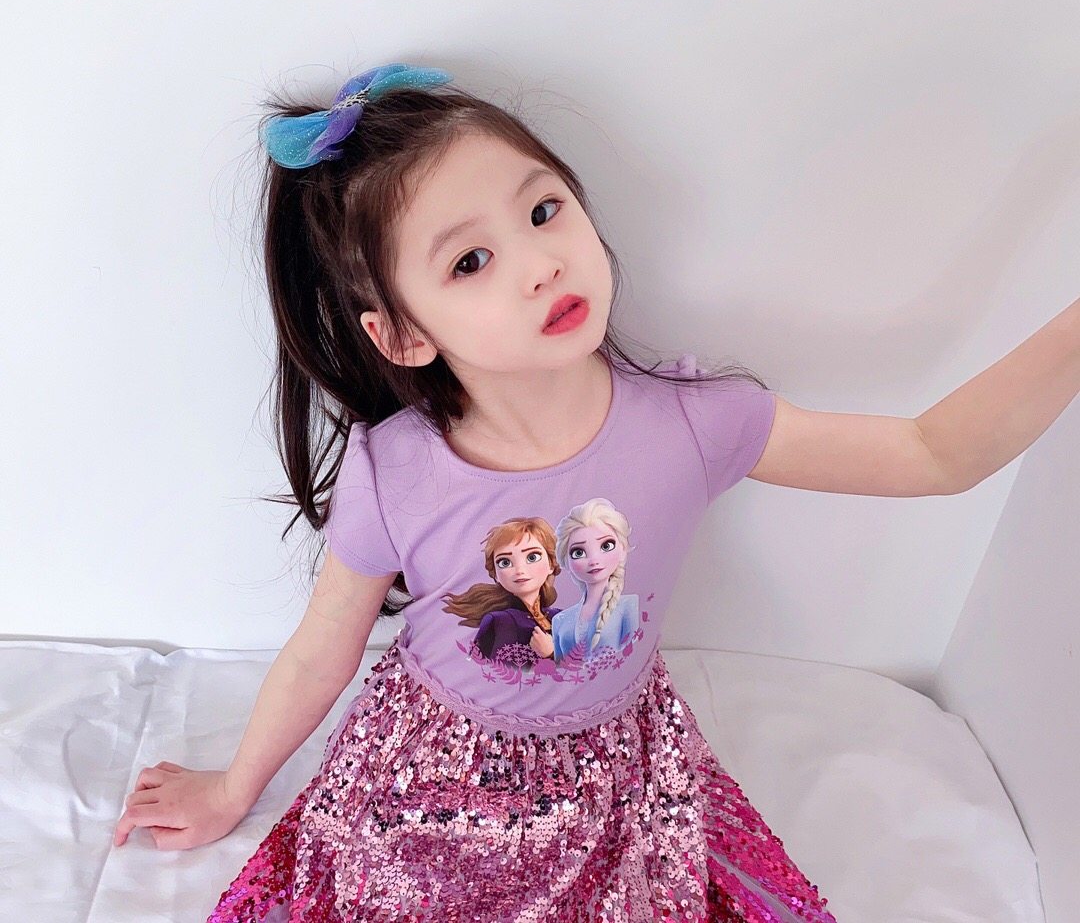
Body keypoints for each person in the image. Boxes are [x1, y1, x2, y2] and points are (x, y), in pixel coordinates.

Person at [110, 62, 1077, 921]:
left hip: (619, 778)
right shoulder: (394, 472)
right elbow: (321, 651)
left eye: (543, 211)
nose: (542, 265)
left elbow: (933, 455)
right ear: (402, 335)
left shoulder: (694, 423)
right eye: (471, 261)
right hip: (432, 779)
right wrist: (233, 788)